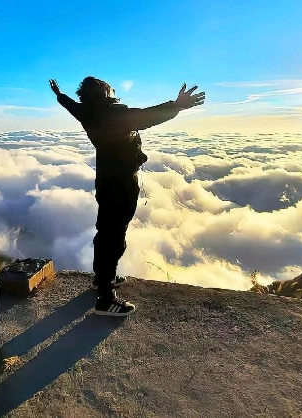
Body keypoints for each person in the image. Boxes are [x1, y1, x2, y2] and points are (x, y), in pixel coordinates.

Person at [49, 77, 205, 316]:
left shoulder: (87, 113)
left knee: (106, 231)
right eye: (110, 88)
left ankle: (102, 278)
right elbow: (147, 116)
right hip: (121, 183)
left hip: (106, 180)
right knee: (114, 235)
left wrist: (59, 94)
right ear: (105, 93)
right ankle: (106, 297)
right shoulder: (114, 115)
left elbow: (70, 105)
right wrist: (177, 105)